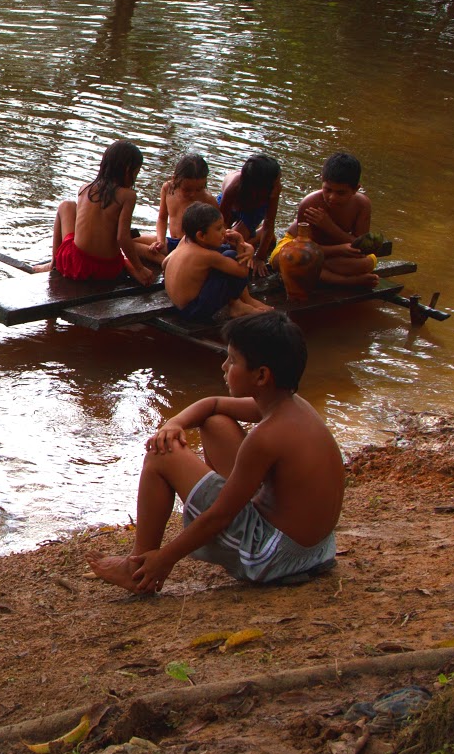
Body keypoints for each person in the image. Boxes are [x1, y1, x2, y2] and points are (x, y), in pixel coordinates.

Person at [89, 311, 343, 593]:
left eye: (232, 360)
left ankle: (136, 568)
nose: (224, 366)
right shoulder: (292, 407)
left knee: (162, 454)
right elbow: (212, 405)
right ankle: (140, 563)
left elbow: (220, 517)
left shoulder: (265, 437)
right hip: (315, 551)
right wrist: (174, 423)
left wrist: (165, 558)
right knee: (215, 422)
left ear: (261, 376)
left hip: (272, 557)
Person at [37, 140, 164, 284]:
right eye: (137, 172)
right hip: (107, 270)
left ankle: (54, 263)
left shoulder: (84, 189)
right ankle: (128, 266)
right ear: (128, 170)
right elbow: (122, 238)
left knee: (66, 206)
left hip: (74, 265)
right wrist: (139, 268)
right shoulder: (128, 195)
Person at [162, 202, 271, 322]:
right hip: (195, 312)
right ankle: (237, 305)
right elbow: (242, 272)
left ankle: (240, 302)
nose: (224, 231)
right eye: (218, 228)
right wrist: (241, 243)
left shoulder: (185, 240)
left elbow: (165, 262)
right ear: (201, 236)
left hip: (179, 305)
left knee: (226, 255)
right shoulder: (208, 256)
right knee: (232, 256)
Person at [295, 151, 379, 288]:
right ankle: (346, 281)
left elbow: (362, 248)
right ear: (322, 181)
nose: (332, 197)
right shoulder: (309, 204)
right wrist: (339, 249)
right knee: (297, 260)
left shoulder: (362, 204)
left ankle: (326, 274)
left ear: (355, 189)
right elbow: (303, 248)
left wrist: (329, 227)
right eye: (328, 190)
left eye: (341, 193)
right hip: (307, 249)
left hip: (331, 256)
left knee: (367, 262)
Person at [218, 154, 281, 277]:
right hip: (232, 203)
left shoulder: (273, 191)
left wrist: (260, 257)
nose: (279, 186)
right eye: (277, 181)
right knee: (224, 241)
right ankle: (260, 237)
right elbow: (222, 223)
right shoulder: (233, 188)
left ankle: (260, 235)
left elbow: (269, 224)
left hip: (254, 208)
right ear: (262, 186)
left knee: (236, 247)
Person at [155, 153, 219, 254]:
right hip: (172, 242)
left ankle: (168, 262)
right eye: (187, 189)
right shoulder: (167, 188)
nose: (192, 194)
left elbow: (218, 231)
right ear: (175, 179)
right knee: (134, 239)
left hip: (190, 248)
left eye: (199, 189)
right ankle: (165, 260)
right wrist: (160, 241)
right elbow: (162, 218)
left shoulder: (208, 200)